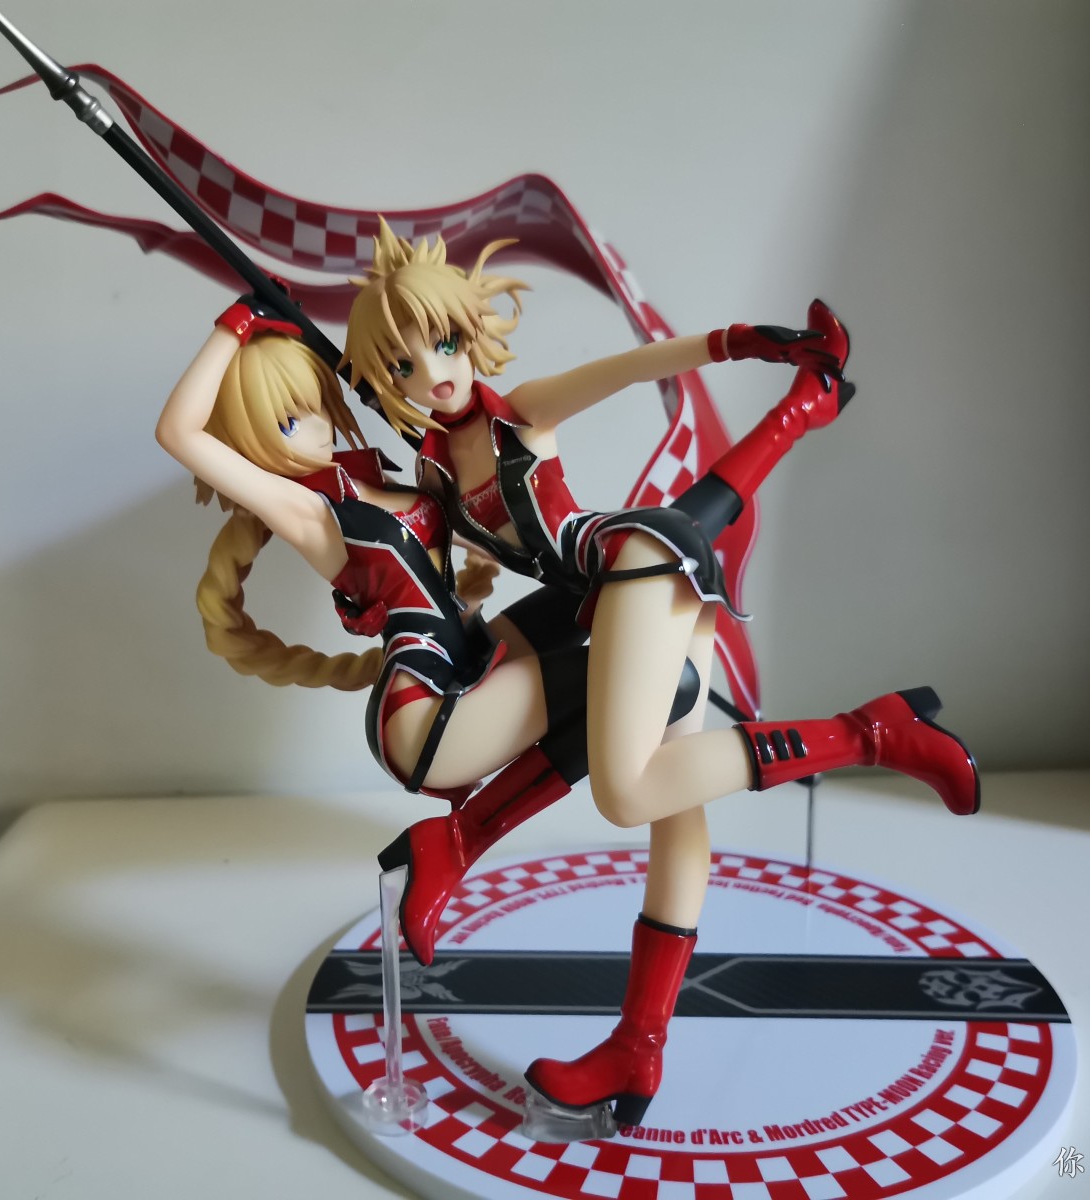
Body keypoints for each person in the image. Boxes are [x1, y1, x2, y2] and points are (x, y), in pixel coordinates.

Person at [341, 221, 979, 1126]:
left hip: (633, 566)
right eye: (404, 365)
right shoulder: (435, 465)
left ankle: (873, 734)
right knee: (676, 807)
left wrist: (745, 343)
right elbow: (431, 556)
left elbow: (638, 366)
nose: (434, 372)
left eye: (442, 343)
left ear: (468, 332)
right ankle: (637, 1047)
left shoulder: (521, 413)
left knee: (628, 791)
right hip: (579, 603)